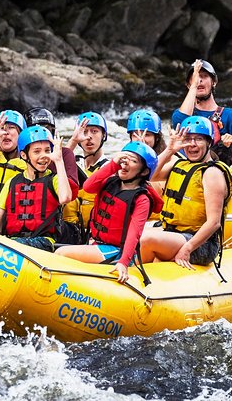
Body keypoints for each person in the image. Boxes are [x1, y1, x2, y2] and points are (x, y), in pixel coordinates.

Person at [140, 116, 232, 269]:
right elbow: (150, 174)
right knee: (133, 233)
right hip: (173, 233)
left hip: (200, 245)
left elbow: (214, 223)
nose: (192, 144)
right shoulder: (179, 163)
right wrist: (170, 150)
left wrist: (187, 248)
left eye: (198, 139)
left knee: (145, 237)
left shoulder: (212, 173)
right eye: (188, 139)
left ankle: (138, 271)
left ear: (209, 142)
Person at [55, 142, 163, 283]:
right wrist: (113, 164)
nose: (126, 163)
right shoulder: (109, 182)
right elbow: (88, 187)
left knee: (61, 253)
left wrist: (124, 262)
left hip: (117, 251)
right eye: (125, 158)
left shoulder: (142, 199)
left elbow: (134, 233)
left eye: (133, 161)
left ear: (144, 171)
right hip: (97, 243)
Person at [0, 126, 72, 252]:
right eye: (37, 151)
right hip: (13, 241)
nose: (44, 156)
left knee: (13, 246)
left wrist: (59, 161)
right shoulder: (12, 183)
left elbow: (65, 197)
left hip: (44, 242)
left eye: (47, 151)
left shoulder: (54, 179)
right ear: (24, 155)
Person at [173, 59, 232, 165]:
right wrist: (194, 86)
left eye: (204, 76)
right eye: (195, 77)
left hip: (215, 172)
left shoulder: (230, 115)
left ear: (213, 82)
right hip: (188, 171)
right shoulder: (181, 114)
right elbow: (180, 121)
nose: (199, 80)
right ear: (188, 85)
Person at [24, 106, 80, 243]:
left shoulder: (64, 155)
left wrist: (58, 159)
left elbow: (68, 193)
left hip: (61, 225)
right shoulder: (21, 158)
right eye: (37, 129)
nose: (43, 133)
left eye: (47, 129)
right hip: (28, 222)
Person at [63, 111, 109, 243]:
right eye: (85, 132)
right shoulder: (71, 163)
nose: (88, 137)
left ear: (104, 135)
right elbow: (54, 166)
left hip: (95, 235)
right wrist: (73, 140)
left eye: (94, 131)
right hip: (68, 231)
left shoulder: (112, 168)